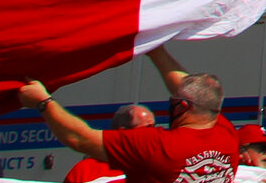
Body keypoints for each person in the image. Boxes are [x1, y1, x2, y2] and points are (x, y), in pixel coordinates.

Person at [20, 47, 236, 183]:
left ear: (180, 106)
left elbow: (80, 139)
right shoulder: (227, 134)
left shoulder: (156, 146)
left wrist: (43, 102)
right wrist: (155, 50)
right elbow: (188, 90)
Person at [67, 107, 158, 183]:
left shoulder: (163, 166)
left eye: (155, 127)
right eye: (148, 129)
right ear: (124, 133)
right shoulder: (85, 169)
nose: (156, 134)